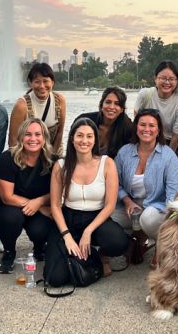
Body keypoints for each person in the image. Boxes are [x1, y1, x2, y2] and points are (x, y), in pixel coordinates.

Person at [44, 118, 129, 285]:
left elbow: (110, 205)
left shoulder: (107, 163)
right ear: (72, 138)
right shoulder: (61, 165)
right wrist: (66, 236)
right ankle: (77, 252)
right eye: (80, 136)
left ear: (95, 140)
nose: (84, 141)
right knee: (55, 279)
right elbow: (55, 205)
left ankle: (97, 254)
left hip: (97, 219)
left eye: (89, 136)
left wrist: (88, 231)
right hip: (69, 219)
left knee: (118, 242)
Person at [112, 109, 178, 263]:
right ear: (136, 127)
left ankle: (161, 244)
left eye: (152, 125)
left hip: (157, 208)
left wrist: (172, 217)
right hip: (131, 206)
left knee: (148, 218)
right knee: (108, 216)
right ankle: (138, 238)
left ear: (158, 130)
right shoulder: (124, 152)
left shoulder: (168, 156)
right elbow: (114, 182)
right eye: (142, 124)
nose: (146, 129)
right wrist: (126, 200)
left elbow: (173, 193)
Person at [0, 117, 56, 275]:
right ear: (21, 137)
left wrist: (40, 202)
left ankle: (39, 247)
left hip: (38, 207)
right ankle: (9, 252)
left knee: (40, 229)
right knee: (10, 219)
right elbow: (7, 196)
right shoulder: (7, 158)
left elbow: (58, 192)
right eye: (28, 134)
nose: (33, 139)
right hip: (11, 206)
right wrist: (36, 205)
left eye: (37, 134)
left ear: (44, 138)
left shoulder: (53, 161)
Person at [133, 61, 178, 158]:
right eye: (163, 78)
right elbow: (136, 117)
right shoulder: (145, 94)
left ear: (177, 81)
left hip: (169, 142)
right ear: (155, 79)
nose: (167, 82)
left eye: (171, 79)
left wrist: (167, 158)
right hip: (146, 137)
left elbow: (176, 135)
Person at [8, 63, 66, 155]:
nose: (42, 86)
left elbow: (60, 133)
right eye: (37, 82)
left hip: (53, 152)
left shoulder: (59, 101)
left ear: (53, 82)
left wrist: (53, 159)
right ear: (31, 83)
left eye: (46, 81)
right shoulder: (21, 106)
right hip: (26, 156)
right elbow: (13, 141)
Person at [76, 87, 134, 160]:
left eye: (117, 104)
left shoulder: (127, 127)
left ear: (122, 109)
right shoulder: (85, 121)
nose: (111, 107)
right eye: (108, 102)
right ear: (101, 105)